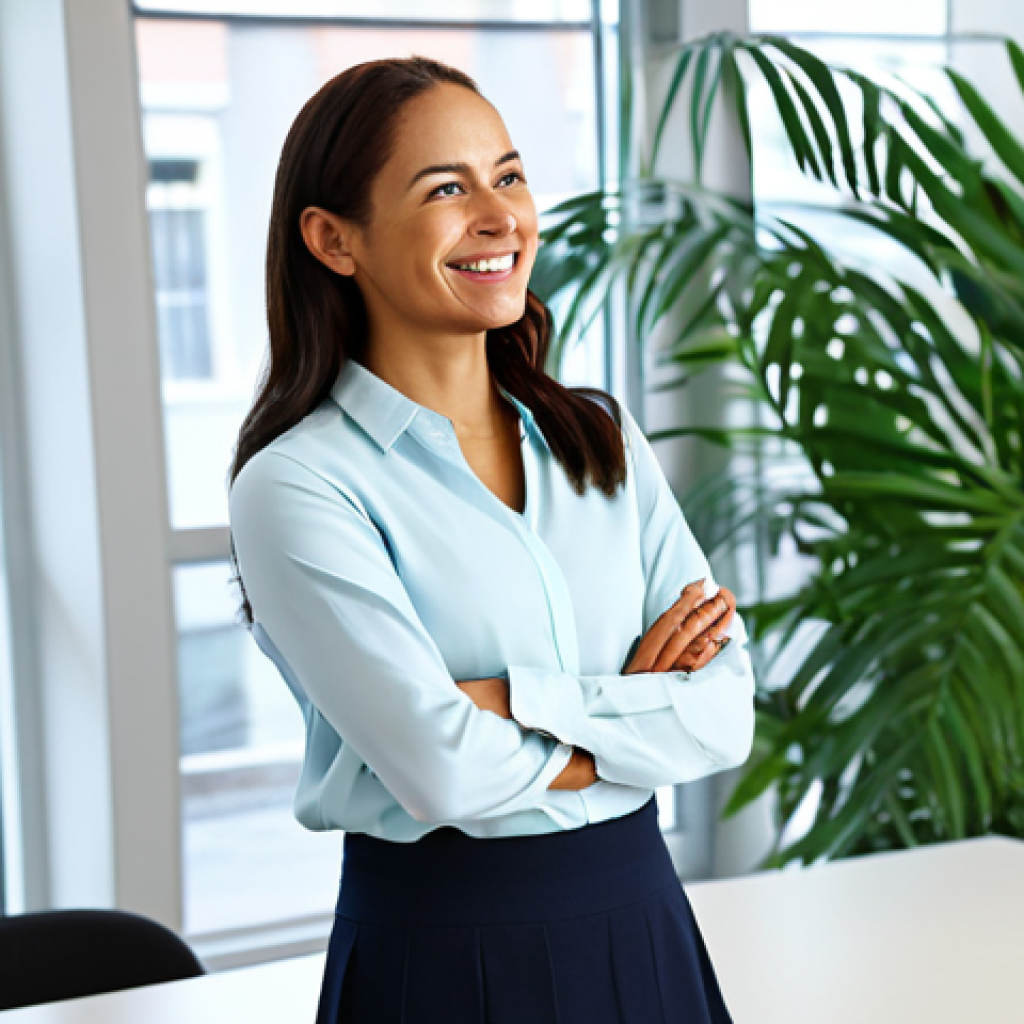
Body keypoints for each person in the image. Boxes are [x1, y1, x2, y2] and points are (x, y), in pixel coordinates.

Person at [229, 56, 755, 1024]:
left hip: (642, 918)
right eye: (445, 188)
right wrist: (633, 710)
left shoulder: (596, 437)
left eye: (508, 176)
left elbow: (721, 716)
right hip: (443, 952)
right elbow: (440, 769)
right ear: (333, 239)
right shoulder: (297, 485)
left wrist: (507, 702)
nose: (499, 215)